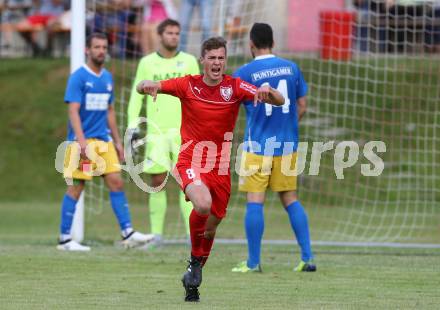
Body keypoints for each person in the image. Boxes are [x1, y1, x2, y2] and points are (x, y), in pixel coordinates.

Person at [136, 36, 285, 302]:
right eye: (212, 58)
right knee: (202, 204)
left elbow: (279, 99)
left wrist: (268, 91)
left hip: (220, 167)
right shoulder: (188, 84)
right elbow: (147, 86)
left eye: (221, 58)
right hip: (190, 160)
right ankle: (194, 261)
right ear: (202, 60)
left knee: (212, 226)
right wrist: (146, 86)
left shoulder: (235, 87)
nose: (216, 63)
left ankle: (193, 274)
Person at [230, 23, 316, 273]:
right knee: (290, 199)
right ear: (273, 43)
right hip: (287, 145)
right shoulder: (292, 68)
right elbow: (302, 105)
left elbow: (232, 107)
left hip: (257, 146)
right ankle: (308, 258)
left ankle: (253, 263)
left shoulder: (244, 72)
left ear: (251, 45)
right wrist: (289, 126)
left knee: (254, 201)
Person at [58, 33, 154, 251]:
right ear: (87, 50)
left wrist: (118, 142)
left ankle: (127, 233)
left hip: (104, 142)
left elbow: (109, 111)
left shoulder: (107, 78)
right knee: (76, 187)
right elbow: (72, 111)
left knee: (116, 182)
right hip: (81, 143)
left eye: (104, 47)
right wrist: (81, 142)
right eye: (96, 47)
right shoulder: (79, 77)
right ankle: (64, 239)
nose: (101, 50)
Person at [127, 18, 199, 249]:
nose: (174, 37)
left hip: (184, 133)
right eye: (169, 33)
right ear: (160, 35)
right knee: (157, 182)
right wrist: (133, 125)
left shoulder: (188, 61)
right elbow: (136, 96)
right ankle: (157, 236)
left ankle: (192, 237)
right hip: (157, 134)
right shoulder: (147, 63)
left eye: (177, 33)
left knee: (187, 184)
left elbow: (197, 94)